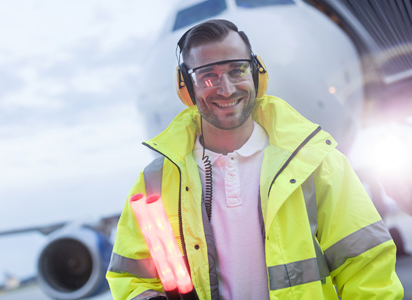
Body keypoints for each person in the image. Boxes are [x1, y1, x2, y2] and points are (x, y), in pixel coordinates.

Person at [106, 19, 404, 299]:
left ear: (256, 73)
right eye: (207, 76)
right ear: (187, 86)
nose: (226, 88)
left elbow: (366, 269)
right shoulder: (155, 183)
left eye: (236, 70)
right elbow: (129, 277)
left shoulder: (317, 163)